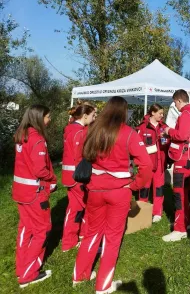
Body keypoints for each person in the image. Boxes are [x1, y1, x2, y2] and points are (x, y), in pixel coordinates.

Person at [73, 96, 152, 293]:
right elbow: (146, 165)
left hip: (95, 190)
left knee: (92, 232)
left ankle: (80, 276)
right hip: (119, 191)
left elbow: (84, 156)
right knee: (112, 238)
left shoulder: (93, 130)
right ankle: (103, 285)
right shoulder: (128, 133)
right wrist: (135, 186)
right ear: (124, 112)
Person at [12, 105, 56, 288]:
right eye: (47, 117)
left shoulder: (22, 135)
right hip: (34, 194)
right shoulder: (37, 139)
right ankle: (29, 274)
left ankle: (20, 267)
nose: (49, 120)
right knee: (42, 230)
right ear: (39, 118)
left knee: (25, 229)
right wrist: (52, 178)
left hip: (20, 192)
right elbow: (40, 170)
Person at [162, 89, 190, 242]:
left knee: (179, 193)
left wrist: (168, 130)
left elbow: (182, 135)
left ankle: (179, 229)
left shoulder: (186, 114)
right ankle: (185, 222)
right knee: (187, 191)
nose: (175, 106)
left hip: (183, 158)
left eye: (175, 103)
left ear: (178, 100)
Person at [61, 103, 96, 252]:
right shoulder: (78, 132)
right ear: (85, 115)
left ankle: (80, 234)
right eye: (93, 115)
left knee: (81, 207)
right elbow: (79, 157)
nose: (94, 118)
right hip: (77, 177)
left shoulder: (71, 128)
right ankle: (69, 241)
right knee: (75, 209)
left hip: (71, 176)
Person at [136, 103, 169, 223]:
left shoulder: (164, 127)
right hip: (146, 163)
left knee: (159, 187)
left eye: (162, 113)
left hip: (160, 162)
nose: (162, 115)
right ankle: (141, 208)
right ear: (153, 113)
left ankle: (157, 212)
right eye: (160, 113)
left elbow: (169, 144)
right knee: (144, 186)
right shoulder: (142, 127)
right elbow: (136, 146)